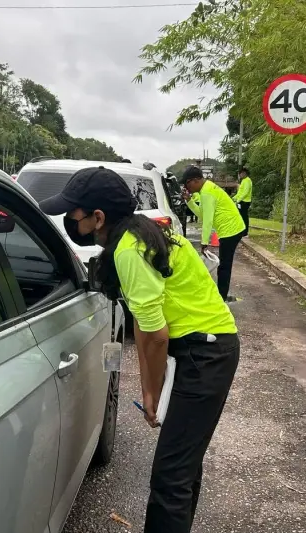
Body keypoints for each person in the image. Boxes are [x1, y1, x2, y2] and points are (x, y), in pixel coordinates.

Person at [39, 166, 239, 533]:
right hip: (202, 349)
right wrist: (150, 387)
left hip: (204, 353)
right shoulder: (144, 233)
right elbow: (143, 322)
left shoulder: (129, 250)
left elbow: (156, 334)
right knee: (182, 464)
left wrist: (151, 390)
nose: (69, 220)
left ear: (98, 217)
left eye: (73, 214)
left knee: (171, 476)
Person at [182, 165, 246, 302]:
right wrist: (189, 201)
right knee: (224, 265)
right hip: (229, 229)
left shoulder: (207, 192)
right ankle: (221, 295)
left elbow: (208, 221)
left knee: (224, 266)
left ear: (195, 180)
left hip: (231, 230)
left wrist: (204, 242)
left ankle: (221, 299)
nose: (188, 189)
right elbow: (203, 215)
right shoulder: (206, 189)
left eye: (187, 184)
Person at [232, 167, 253, 236]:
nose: (239, 175)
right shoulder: (243, 181)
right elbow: (240, 192)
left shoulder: (247, 181)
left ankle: (245, 232)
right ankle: (241, 230)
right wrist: (234, 198)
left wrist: (238, 200)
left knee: (244, 216)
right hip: (241, 201)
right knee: (240, 216)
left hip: (245, 202)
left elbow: (245, 193)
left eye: (240, 174)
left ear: (244, 173)